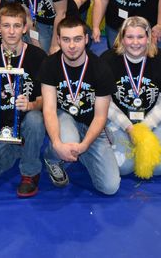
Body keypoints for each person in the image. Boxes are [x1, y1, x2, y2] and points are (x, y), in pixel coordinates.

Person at [0, 2, 47, 196]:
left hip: (28, 122)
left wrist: (31, 104)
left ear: (25, 28)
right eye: (6, 26)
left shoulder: (38, 56)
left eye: (16, 26)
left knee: (35, 119)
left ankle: (30, 172)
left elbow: (45, 100)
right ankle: (18, 150)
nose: (12, 31)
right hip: (0, 127)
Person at [40, 16, 119, 195]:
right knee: (68, 140)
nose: (72, 46)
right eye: (66, 40)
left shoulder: (101, 68)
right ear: (58, 40)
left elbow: (100, 116)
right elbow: (49, 109)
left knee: (109, 187)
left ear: (86, 39)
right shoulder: (49, 65)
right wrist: (57, 143)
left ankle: (82, 151)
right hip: (64, 116)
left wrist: (85, 146)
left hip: (92, 122)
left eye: (77, 39)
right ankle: (52, 158)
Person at [101, 17, 161, 178]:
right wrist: (128, 127)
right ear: (121, 38)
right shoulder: (107, 60)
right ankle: (107, 138)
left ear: (148, 38)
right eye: (129, 37)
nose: (135, 42)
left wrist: (145, 127)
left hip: (151, 118)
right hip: (119, 119)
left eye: (140, 37)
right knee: (122, 168)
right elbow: (104, 101)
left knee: (160, 167)